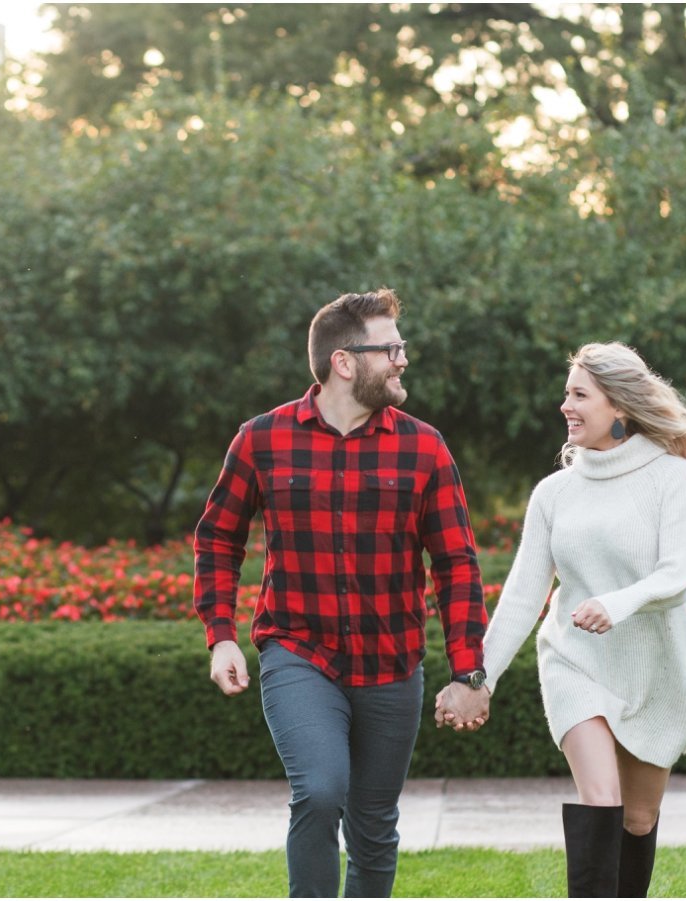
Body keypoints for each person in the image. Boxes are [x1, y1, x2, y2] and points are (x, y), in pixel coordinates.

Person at [193, 289, 491, 898]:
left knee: (374, 826)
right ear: (346, 362)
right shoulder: (261, 439)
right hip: (298, 651)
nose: (403, 360)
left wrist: (469, 672)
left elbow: (456, 563)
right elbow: (219, 539)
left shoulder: (424, 447)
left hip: (390, 662)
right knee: (322, 790)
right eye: (391, 349)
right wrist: (220, 637)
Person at [439, 341, 686, 897]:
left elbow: (677, 574)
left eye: (579, 394)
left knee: (638, 819)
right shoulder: (554, 494)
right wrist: (478, 678)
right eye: (566, 393)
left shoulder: (672, 478)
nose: (565, 405)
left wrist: (615, 604)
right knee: (600, 799)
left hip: (652, 671)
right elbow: (522, 596)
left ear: (618, 406)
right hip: (574, 662)